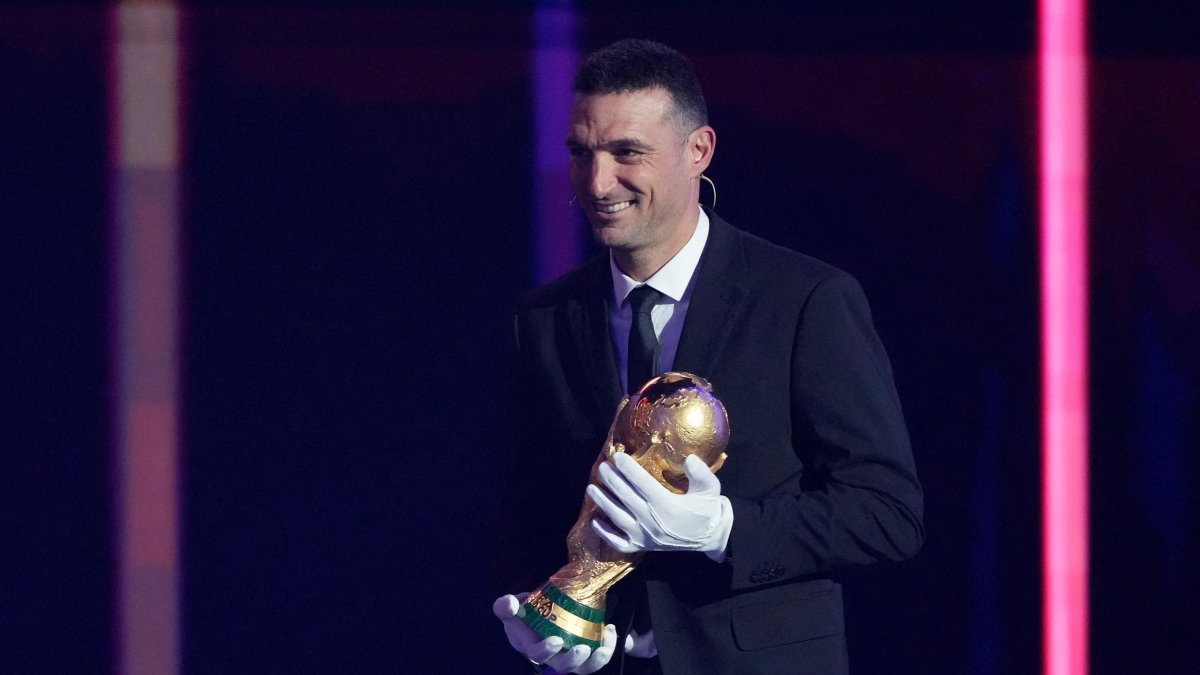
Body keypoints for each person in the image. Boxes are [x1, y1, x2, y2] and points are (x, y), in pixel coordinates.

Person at [493, 39, 923, 674]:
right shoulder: (546, 319)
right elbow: (528, 507)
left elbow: (887, 514)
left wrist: (723, 531)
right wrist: (542, 620)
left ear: (699, 151)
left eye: (626, 152)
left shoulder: (805, 299)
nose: (597, 181)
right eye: (581, 153)